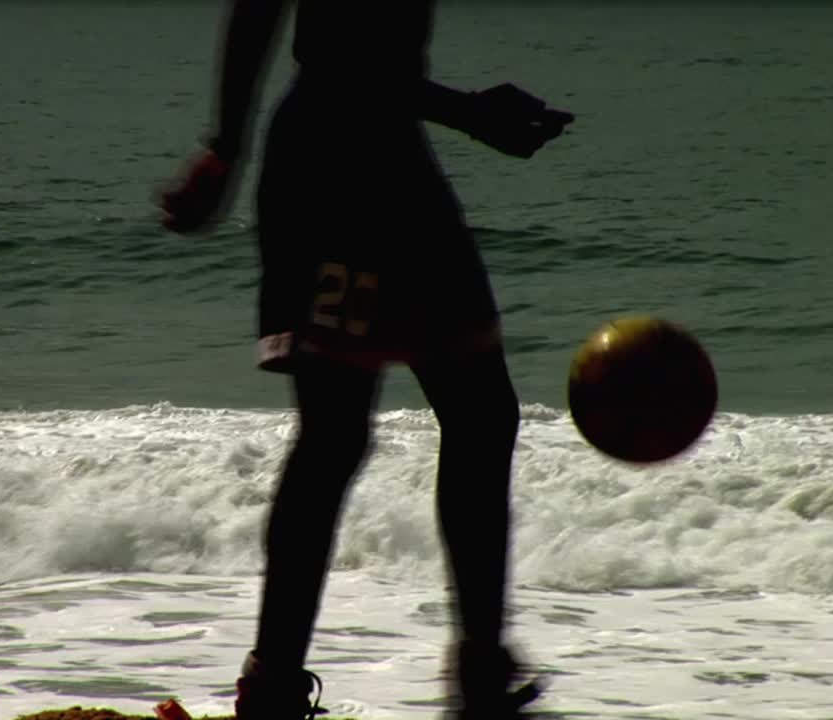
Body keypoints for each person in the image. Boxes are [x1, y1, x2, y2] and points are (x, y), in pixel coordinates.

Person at [158, 1, 573, 718]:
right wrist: (471, 112)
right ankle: (285, 687)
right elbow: (337, 56)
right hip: (333, 164)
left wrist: (228, 144)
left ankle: (474, 673)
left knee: (471, 415)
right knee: (345, 431)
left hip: (384, 151)